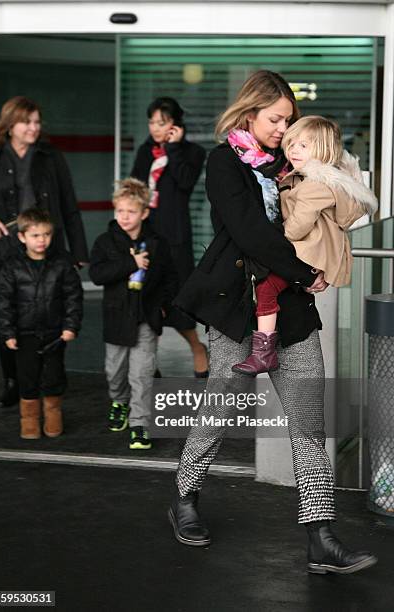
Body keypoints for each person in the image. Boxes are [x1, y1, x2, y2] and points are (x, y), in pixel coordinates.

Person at [168, 71, 377, 575]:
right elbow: (249, 233)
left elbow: (346, 210)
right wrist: (307, 271)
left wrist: (341, 179)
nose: (284, 128)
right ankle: (185, 497)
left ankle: (321, 537)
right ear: (250, 114)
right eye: (275, 119)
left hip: (295, 316)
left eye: (289, 119)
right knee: (218, 412)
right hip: (238, 310)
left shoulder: (296, 160)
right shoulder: (224, 162)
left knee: (309, 424)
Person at [232, 115, 378, 376]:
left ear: (323, 150)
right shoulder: (313, 179)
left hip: (307, 254)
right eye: (291, 144)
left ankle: (263, 353)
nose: (293, 150)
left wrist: (275, 243)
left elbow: (299, 225)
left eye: (303, 146)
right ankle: (264, 349)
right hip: (312, 253)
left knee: (266, 285)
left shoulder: (314, 184)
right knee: (268, 289)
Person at [0, 96, 89, 408]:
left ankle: (49, 380)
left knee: (48, 314)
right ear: (10, 125)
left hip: (47, 246)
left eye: (36, 121)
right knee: (9, 318)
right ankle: (13, 382)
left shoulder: (50, 156)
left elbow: (69, 205)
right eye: (26, 122)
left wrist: (78, 251)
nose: (34, 127)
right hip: (4, 250)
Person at [89, 178, 177, 450]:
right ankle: (119, 401)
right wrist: (131, 263)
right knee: (115, 371)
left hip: (146, 317)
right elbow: (96, 274)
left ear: (144, 213)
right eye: (120, 211)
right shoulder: (105, 242)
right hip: (117, 317)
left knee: (142, 373)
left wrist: (163, 306)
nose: (124, 217)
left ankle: (140, 424)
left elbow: (169, 278)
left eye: (131, 211)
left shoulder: (157, 243)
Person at [131, 97, 208, 377]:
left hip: (175, 236)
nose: (154, 128)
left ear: (175, 125)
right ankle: (150, 361)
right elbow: (135, 189)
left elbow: (185, 183)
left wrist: (173, 149)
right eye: (151, 122)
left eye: (161, 123)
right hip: (147, 233)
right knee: (147, 299)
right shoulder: (145, 151)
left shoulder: (193, 152)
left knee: (178, 299)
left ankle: (197, 348)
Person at [0, 207, 83, 439]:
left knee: (54, 376)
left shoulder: (61, 264)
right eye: (35, 235)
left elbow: (73, 296)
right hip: (24, 334)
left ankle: (53, 415)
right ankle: (30, 420)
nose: (42, 240)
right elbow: (4, 303)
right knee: (27, 376)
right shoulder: (11, 267)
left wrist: (70, 326)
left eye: (46, 234)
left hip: (55, 333)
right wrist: (8, 333)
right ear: (22, 237)